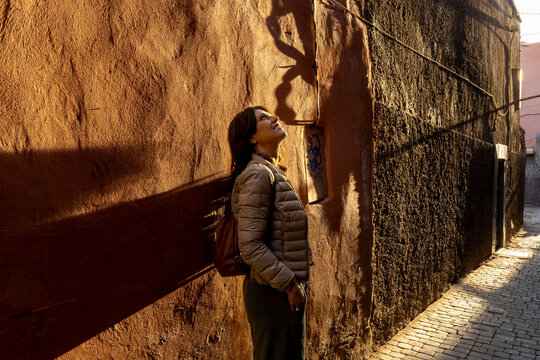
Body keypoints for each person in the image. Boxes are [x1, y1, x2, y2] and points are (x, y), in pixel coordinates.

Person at [228, 106, 311, 360]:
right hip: (273, 293)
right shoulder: (258, 174)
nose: (275, 118)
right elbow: (250, 246)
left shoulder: (270, 171)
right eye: (263, 118)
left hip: (279, 291)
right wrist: (289, 284)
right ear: (252, 137)